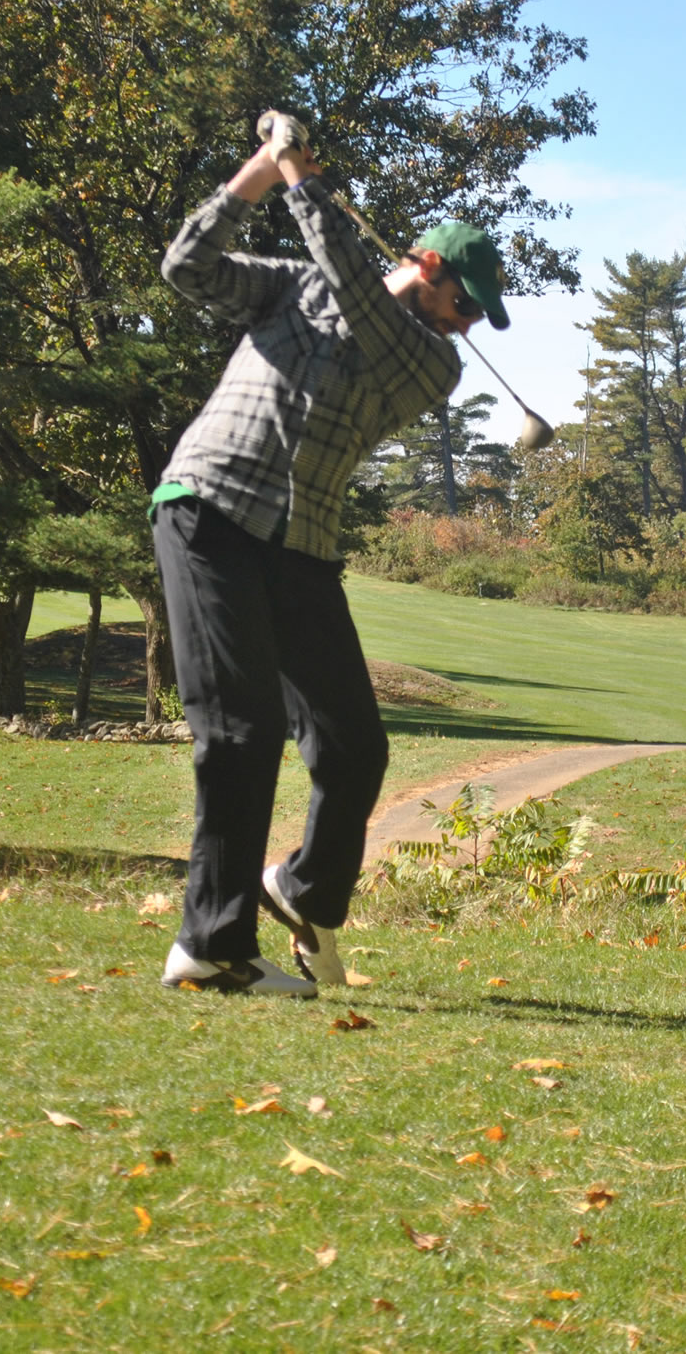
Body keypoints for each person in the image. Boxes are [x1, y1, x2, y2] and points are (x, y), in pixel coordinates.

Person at [152, 126, 509, 996]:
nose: (467, 327)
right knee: (239, 730)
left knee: (354, 746)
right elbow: (187, 267)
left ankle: (303, 888)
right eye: (467, 304)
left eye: (473, 321)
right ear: (428, 265)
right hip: (211, 507)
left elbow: (358, 294)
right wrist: (254, 176)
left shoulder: (429, 365)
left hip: (300, 543)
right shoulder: (295, 285)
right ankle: (212, 946)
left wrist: (298, 176)